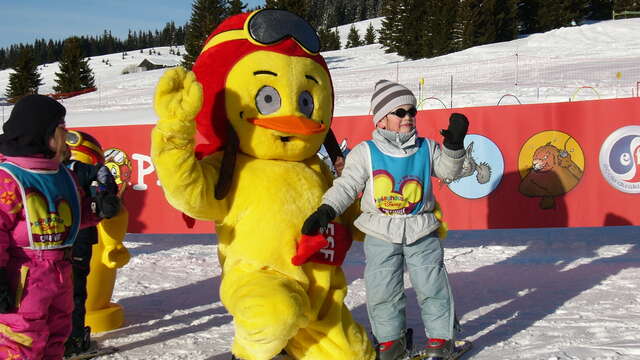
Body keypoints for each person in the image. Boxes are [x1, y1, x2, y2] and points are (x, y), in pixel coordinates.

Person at [301, 80, 469, 360]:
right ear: (381, 120)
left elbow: (449, 172)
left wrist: (453, 146)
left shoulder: (426, 147)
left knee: (432, 285)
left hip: (420, 228)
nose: (408, 117)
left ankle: (441, 340)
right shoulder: (366, 152)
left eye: (412, 111)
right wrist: (326, 210)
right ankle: (392, 341)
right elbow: (347, 185)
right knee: (382, 289)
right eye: (399, 112)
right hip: (380, 231)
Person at [0, 94, 102, 359]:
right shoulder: (8, 178)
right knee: (22, 345)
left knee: (57, 340)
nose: (67, 139)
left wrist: (96, 209)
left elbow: (72, 215)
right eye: (62, 131)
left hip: (60, 274)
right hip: (24, 281)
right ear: (43, 133)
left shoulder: (62, 174)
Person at [62, 130, 120, 356]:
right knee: (66, 290)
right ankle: (70, 340)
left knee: (72, 288)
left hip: (76, 237)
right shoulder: (43, 171)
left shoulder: (77, 169)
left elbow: (102, 175)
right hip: (54, 241)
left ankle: (73, 338)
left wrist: (105, 195)